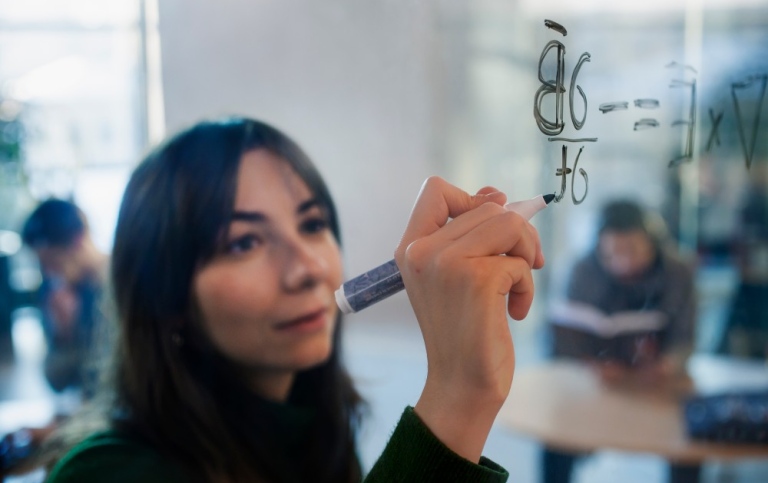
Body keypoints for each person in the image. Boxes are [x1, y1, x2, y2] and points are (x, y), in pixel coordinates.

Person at [43, 117, 544, 482]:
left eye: (312, 224)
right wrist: (459, 395)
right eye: (244, 243)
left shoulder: (312, 425)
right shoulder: (104, 473)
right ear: (166, 297)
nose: (307, 267)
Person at [543, 199, 698, 483]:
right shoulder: (582, 270)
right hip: (599, 383)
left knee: (689, 439)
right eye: (612, 253)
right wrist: (591, 364)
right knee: (556, 436)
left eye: (633, 250)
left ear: (653, 243)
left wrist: (667, 364)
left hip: (658, 383)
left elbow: (685, 338)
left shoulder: (678, 271)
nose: (623, 262)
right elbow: (566, 335)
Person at [0, 199, 108, 477]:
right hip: (91, 417)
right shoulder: (65, 295)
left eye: (52, 261)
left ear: (78, 239)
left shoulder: (120, 290)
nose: (50, 273)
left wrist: (60, 428)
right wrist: (64, 335)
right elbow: (57, 382)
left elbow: (123, 398)